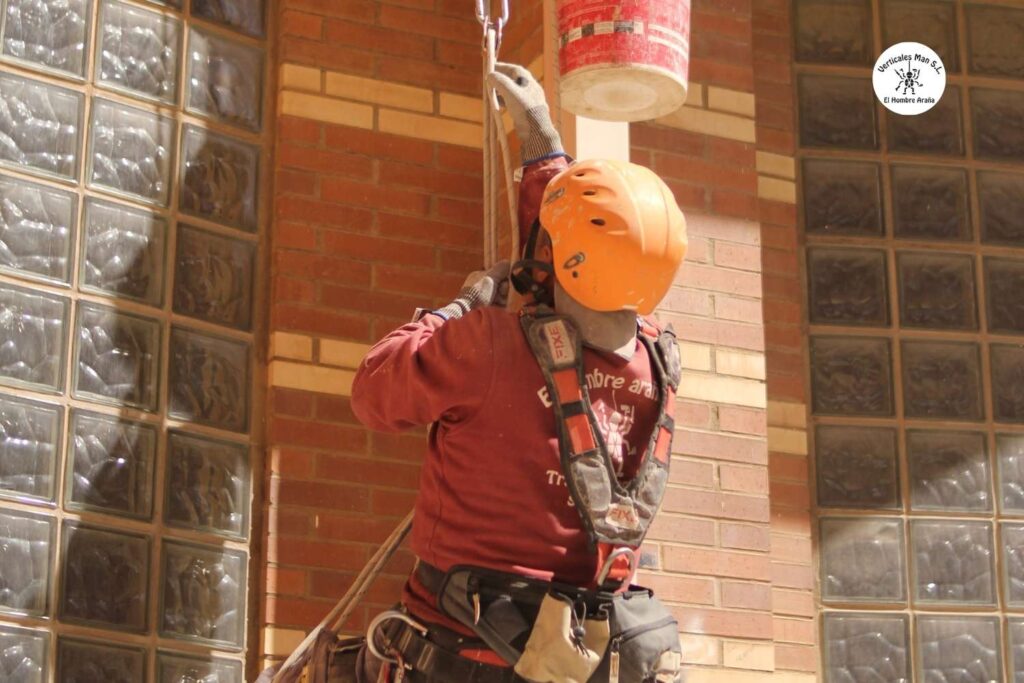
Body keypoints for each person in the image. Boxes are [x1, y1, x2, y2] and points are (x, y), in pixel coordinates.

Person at [347, 63, 688, 683]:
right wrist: (543, 148)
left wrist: (463, 304)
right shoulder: (654, 365)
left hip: (455, 658)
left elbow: (375, 390)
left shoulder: (488, 345)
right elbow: (594, 252)